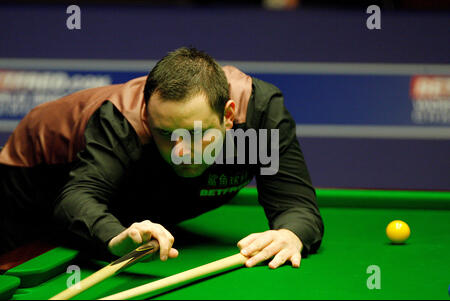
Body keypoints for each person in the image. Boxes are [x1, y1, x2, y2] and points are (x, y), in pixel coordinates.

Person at [0, 47, 323, 269]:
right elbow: (76, 198)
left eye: (196, 134)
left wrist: (290, 233)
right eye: (167, 134)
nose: (183, 152)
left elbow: (295, 207)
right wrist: (115, 236)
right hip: (34, 179)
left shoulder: (259, 116)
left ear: (228, 115)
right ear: (147, 116)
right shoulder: (123, 124)